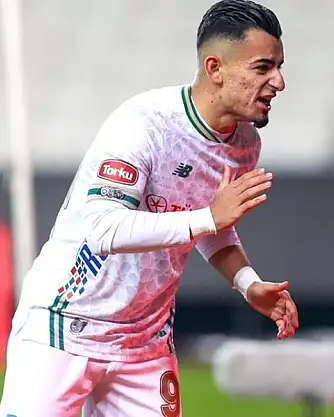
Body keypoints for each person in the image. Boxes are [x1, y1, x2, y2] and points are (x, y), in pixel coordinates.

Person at [0, 1, 298, 416]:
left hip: (145, 342)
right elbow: (103, 228)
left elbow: (210, 223)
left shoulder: (245, 144)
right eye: (263, 67)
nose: (278, 82)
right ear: (215, 68)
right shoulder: (145, 123)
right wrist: (208, 217)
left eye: (279, 67)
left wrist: (248, 283)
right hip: (63, 326)